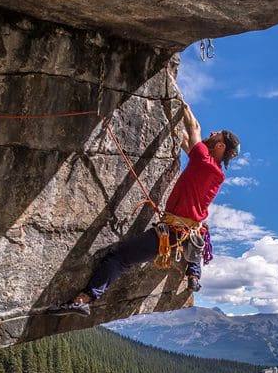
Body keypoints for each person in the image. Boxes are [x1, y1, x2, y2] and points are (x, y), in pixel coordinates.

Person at [49, 101, 239, 315]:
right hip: (190, 230)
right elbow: (186, 141)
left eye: (218, 135)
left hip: (174, 232)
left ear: (220, 146)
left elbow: (194, 128)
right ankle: (193, 274)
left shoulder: (203, 159)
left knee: (119, 258)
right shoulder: (213, 171)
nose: (213, 133)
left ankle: (84, 299)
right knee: (198, 234)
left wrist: (178, 98)